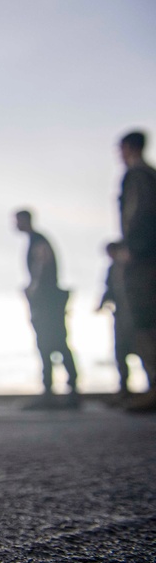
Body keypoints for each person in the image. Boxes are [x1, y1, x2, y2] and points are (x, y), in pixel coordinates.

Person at [14, 210, 79, 409]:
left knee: (53, 342)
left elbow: (42, 269)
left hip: (47, 301)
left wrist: (33, 290)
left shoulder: (38, 240)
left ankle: (62, 391)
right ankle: (60, 390)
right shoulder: (37, 240)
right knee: (53, 343)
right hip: (46, 300)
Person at [118, 130, 156, 412]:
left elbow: (140, 214)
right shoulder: (149, 175)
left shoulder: (138, 176)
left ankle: (154, 386)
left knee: (146, 320)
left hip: (144, 260)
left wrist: (133, 249)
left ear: (128, 148)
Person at [96, 241, 143, 402]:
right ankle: (124, 389)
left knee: (143, 349)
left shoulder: (132, 269)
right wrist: (101, 304)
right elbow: (109, 289)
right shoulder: (114, 270)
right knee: (121, 351)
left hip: (137, 316)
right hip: (122, 315)